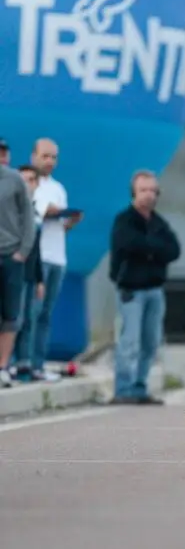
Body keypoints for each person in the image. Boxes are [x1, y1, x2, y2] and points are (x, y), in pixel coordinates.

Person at [108, 170, 181, 404]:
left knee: (150, 341)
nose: (149, 195)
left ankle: (139, 385)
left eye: (152, 191)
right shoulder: (124, 220)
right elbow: (128, 243)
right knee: (129, 340)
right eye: (143, 190)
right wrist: (154, 249)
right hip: (132, 290)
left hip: (155, 290)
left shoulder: (159, 222)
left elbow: (173, 250)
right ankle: (123, 387)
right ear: (134, 193)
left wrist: (149, 249)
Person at [31, 138, 82, 381]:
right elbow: (37, 217)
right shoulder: (30, 186)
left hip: (57, 258)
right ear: (34, 157)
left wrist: (70, 221)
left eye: (53, 157)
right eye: (45, 156)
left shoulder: (58, 188)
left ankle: (38, 364)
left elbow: (60, 226)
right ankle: (22, 363)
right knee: (30, 312)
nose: (49, 161)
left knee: (46, 315)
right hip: (37, 258)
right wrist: (50, 211)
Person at [0, 159, 36, 387]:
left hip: (11, 256)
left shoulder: (14, 179)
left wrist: (22, 251)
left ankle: (3, 366)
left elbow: (28, 217)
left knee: (10, 315)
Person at [11, 164, 45, 383]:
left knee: (28, 321)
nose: (27, 184)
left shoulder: (34, 211)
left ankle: (24, 364)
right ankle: (8, 363)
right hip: (14, 274)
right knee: (13, 320)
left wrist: (40, 278)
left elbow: (36, 249)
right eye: (23, 180)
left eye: (32, 180)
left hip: (30, 274)